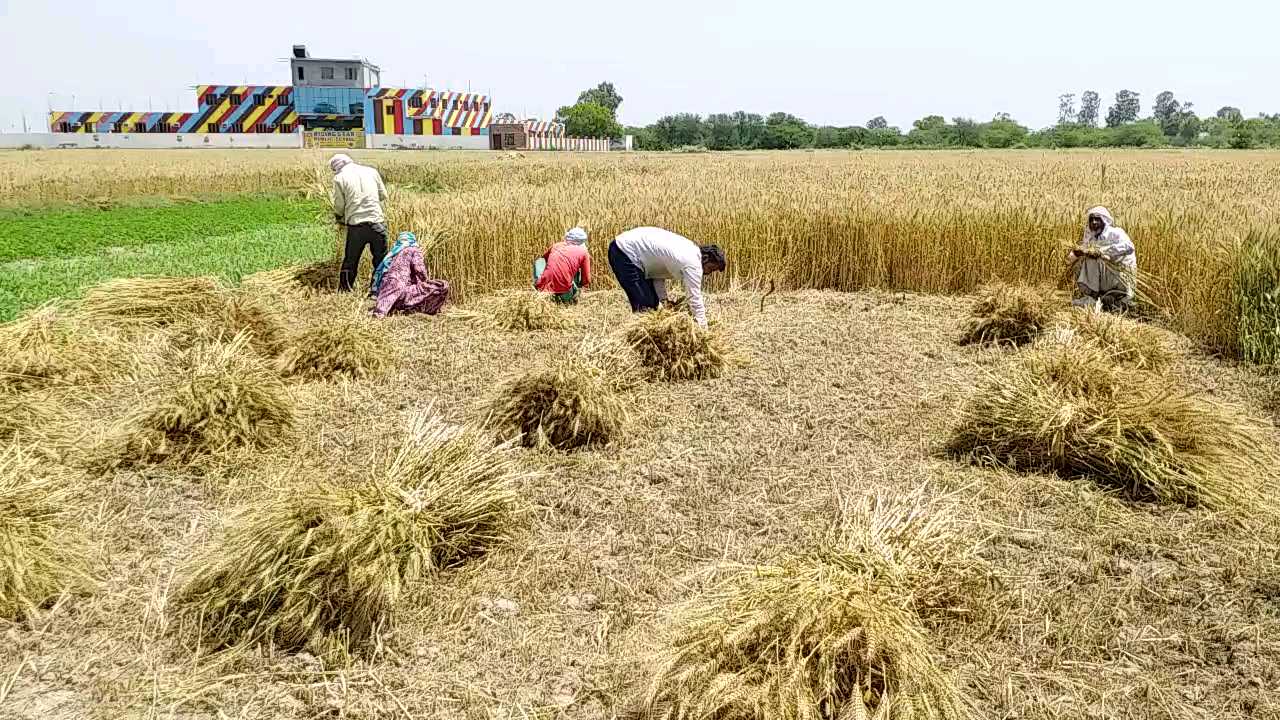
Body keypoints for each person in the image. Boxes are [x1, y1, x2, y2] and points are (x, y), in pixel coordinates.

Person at [608, 226, 727, 328]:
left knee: (653, 305)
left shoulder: (688, 250)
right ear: (705, 259)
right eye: (711, 268)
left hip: (630, 251)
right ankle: (638, 347)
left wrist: (663, 300)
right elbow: (694, 299)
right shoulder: (693, 264)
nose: (709, 273)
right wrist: (703, 329)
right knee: (645, 308)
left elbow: (656, 270)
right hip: (625, 251)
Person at [330, 153, 388, 294]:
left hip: (356, 226)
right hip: (377, 223)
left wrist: (339, 217)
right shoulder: (371, 171)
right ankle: (377, 291)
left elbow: (339, 205)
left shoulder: (339, 178)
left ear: (337, 167)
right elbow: (383, 195)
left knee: (351, 260)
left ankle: (344, 291)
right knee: (381, 260)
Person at [1068, 206, 1137, 312]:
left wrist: (1102, 251)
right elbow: (1079, 253)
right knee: (1081, 260)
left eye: (1097, 219)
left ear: (1104, 221)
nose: (1094, 222)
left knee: (1093, 259)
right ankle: (1095, 297)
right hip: (1106, 277)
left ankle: (1098, 297)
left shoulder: (1116, 233)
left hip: (1120, 276)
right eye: (1091, 220)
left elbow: (1129, 247)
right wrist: (1076, 254)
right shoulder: (1091, 237)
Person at [371, 232, 450, 318]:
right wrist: (425, 282)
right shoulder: (413, 249)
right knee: (442, 285)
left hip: (387, 291)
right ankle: (427, 309)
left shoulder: (393, 253)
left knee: (381, 311)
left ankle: (382, 312)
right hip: (402, 289)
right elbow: (419, 269)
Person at [533, 227, 592, 303]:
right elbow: (586, 279)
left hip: (543, 290)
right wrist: (583, 292)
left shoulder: (556, 246)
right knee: (574, 269)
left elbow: (542, 260)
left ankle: (539, 283)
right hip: (565, 293)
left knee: (539, 261)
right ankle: (567, 299)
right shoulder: (583, 252)